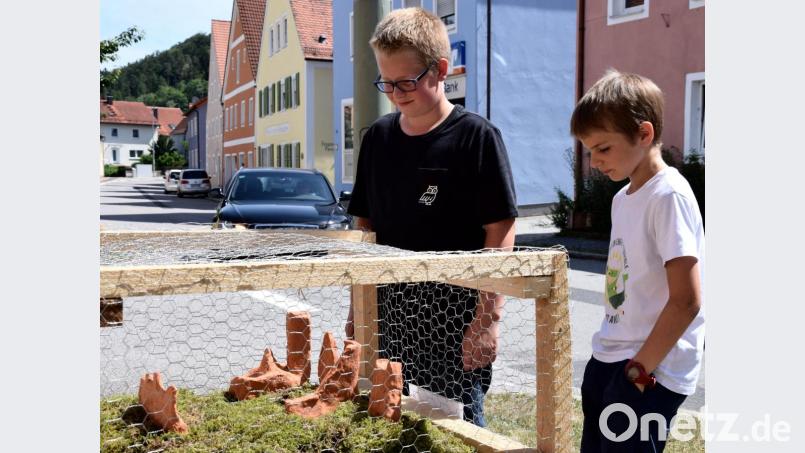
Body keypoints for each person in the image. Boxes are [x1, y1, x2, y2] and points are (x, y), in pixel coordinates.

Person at [344, 7, 518, 427]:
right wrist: (356, 312)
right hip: (386, 322)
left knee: (454, 434)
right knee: (386, 427)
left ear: (440, 70)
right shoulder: (378, 139)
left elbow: (501, 230)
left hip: (454, 329)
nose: (396, 92)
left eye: (407, 81)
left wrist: (487, 321)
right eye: (386, 82)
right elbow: (364, 229)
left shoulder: (476, 138)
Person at [571, 70, 705, 452]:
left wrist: (639, 371)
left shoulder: (669, 196)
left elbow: (686, 301)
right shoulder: (622, 198)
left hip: (649, 367)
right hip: (609, 356)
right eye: (589, 150)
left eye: (603, 148)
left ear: (644, 134)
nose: (595, 161)